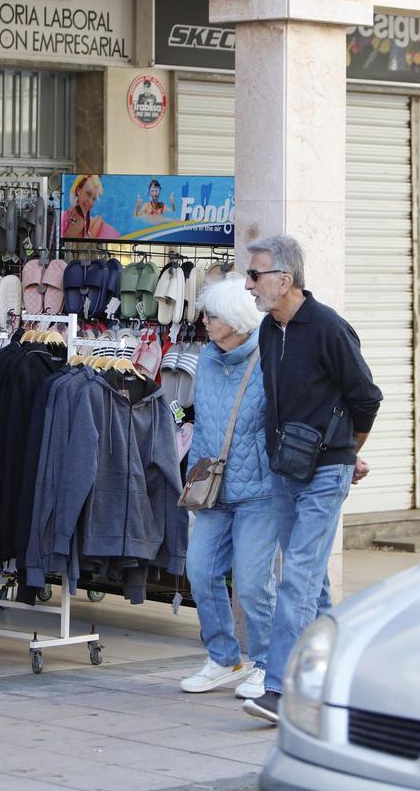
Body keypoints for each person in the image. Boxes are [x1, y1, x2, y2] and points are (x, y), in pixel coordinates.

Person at [241, 234, 381, 724]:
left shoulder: (328, 329)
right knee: (313, 581)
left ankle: (282, 690)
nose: (248, 285)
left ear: (285, 279)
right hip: (286, 471)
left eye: (254, 275)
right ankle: (336, 677)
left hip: (325, 472)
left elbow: (366, 397)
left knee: (295, 576)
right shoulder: (266, 330)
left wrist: (348, 453)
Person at [179, 273, 277, 701]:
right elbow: (202, 425)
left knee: (254, 584)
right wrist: (193, 481)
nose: (205, 321)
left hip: (261, 491)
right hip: (214, 492)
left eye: (214, 315)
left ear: (238, 320)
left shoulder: (269, 360)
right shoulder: (206, 361)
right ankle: (224, 657)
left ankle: (269, 664)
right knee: (199, 572)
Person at [61, 174, 119, 239]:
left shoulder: (82, 215)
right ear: (78, 191)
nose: (91, 202)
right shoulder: (79, 219)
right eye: (88, 194)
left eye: (94, 199)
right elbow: (66, 240)